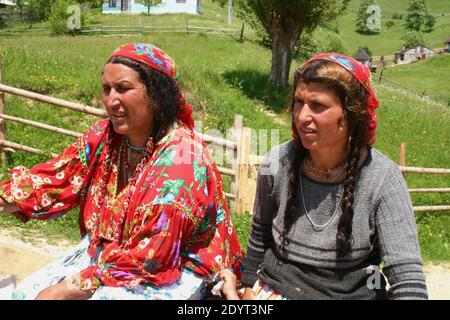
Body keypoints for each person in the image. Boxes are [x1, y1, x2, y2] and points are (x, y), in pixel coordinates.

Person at [0, 43, 245, 300]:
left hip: (173, 267)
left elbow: (154, 256)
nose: (111, 100)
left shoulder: (183, 157)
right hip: (110, 254)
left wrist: (69, 288)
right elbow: (58, 179)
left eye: (123, 88)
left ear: (156, 94)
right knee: (25, 294)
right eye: (106, 89)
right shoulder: (104, 137)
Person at [238, 53, 428, 300]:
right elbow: (260, 235)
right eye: (298, 102)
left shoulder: (382, 178)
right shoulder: (277, 163)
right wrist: (247, 288)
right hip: (275, 292)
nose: (302, 116)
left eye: (318, 105)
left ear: (350, 114)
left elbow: (407, 277)